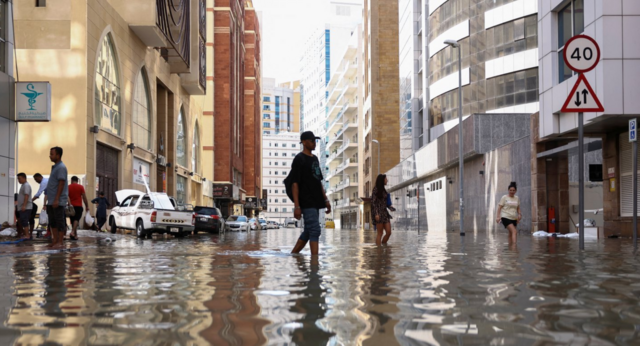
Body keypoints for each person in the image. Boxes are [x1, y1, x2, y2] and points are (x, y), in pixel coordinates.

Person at [290, 131, 331, 256]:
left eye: (315, 141)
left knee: (308, 231)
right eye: (312, 140)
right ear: (304, 142)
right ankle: (315, 263)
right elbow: (294, 183)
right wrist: (297, 206)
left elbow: (318, 181)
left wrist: (326, 200)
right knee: (315, 229)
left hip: (316, 200)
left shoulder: (315, 159)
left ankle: (294, 255)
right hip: (306, 200)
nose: (315, 143)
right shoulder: (299, 159)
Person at [45, 146, 69, 247]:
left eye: (52, 154)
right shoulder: (55, 167)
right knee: (52, 222)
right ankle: (55, 240)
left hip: (57, 201)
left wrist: (56, 199)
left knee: (59, 221)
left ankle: (60, 242)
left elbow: (61, 183)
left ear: (58, 155)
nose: (50, 156)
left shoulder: (61, 167)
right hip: (51, 201)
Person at [371, 174, 392, 245]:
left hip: (385, 213)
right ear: (382, 180)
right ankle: (379, 251)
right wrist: (376, 213)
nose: (387, 180)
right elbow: (373, 203)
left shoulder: (384, 190)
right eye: (386, 179)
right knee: (380, 233)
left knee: (389, 232)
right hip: (378, 213)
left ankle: (383, 246)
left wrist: (390, 207)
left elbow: (384, 203)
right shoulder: (375, 189)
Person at [68, 176, 90, 240]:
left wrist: (69, 204)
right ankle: (72, 232)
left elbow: (66, 196)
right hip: (78, 206)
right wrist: (87, 206)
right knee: (76, 219)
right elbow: (84, 198)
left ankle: (75, 235)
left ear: (71, 180)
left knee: (72, 220)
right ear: (77, 181)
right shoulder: (81, 187)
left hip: (71, 206)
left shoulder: (68, 187)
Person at [16, 173, 34, 239]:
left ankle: (27, 235)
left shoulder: (26, 185)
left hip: (26, 207)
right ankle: (26, 234)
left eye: (19, 178)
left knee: (24, 220)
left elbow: (26, 195)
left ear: (24, 178)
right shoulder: (23, 185)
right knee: (23, 221)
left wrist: (24, 205)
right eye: (18, 179)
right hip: (22, 207)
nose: (18, 180)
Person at [32, 173, 49, 238]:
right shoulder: (47, 181)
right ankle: (49, 232)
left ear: (40, 177)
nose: (36, 181)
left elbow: (38, 193)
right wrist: (44, 204)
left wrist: (30, 201)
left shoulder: (44, 182)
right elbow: (46, 195)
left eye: (36, 179)